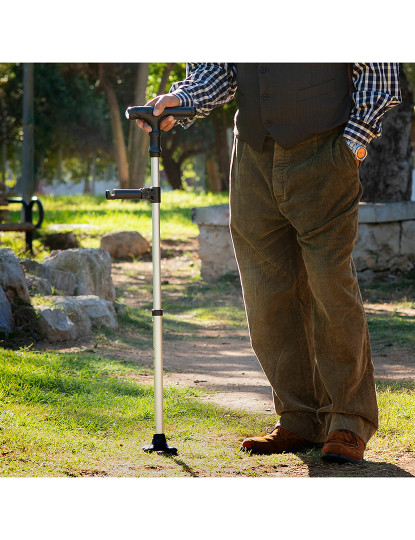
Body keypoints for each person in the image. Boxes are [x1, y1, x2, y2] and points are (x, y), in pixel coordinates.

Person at [136, 63, 401, 464]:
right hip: (253, 159)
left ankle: (348, 420)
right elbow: (218, 69)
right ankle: (299, 418)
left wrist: (353, 145)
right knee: (266, 293)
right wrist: (181, 99)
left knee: (330, 286)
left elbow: (380, 70)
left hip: (326, 152)